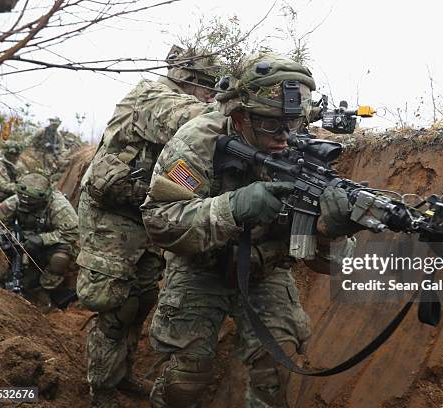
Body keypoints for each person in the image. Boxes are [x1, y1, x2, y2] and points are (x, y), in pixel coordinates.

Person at [140, 53, 357, 408]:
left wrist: (328, 233)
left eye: (292, 122)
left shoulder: (303, 153)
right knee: (187, 379)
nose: (286, 136)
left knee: (277, 367)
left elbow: (328, 265)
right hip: (201, 267)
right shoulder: (198, 141)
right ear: (239, 117)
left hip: (266, 267)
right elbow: (160, 220)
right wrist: (233, 207)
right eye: (272, 125)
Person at [75, 46, 220, 408]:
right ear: (187, 79)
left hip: (144, 213)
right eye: (208, 88)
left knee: (140, 300)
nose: (212, 97)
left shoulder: (184, 100)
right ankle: (102, 389)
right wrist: (245, 108)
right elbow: (192, 120)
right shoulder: (151, 96)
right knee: (113, 306)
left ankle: (121, 374)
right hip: (110, 215)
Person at [0, 172, 79, 303]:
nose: (26, 206)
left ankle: (46, 289)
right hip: (22, 245)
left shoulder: (59, 206)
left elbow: (73, 232)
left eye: (31, 204)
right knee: (21, 281)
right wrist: (5, 237)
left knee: (60, 259)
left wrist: (43, 239)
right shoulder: (13, 203)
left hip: (49, 247)